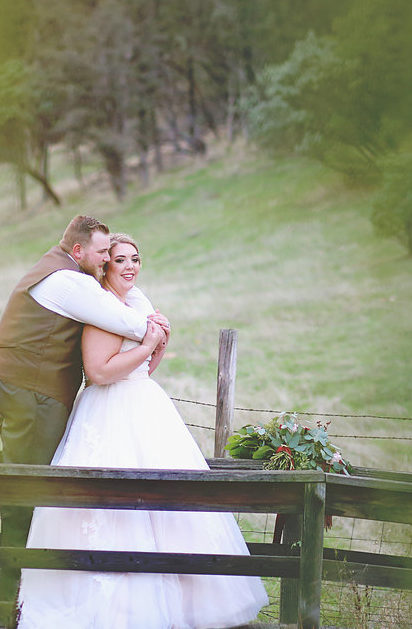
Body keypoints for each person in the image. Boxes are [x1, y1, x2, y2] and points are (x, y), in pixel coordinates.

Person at [16, 234, 268, 628]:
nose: (130, 266)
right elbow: (99, 373)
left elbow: (141, 368)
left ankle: (185, 602)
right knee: (115, 509)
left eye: (135, 259)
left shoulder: (137, 307)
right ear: (106, 266)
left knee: (170, 506)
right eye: (120, 260)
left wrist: (157, 343)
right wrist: (148, 340)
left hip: (146, 407)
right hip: (108, 412)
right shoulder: (103, 313)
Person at [0, 216, 170, 627]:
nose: (108, 260)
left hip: (29, 388)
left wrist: (149, 322)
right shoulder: (70, 282)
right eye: (104, 253)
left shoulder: (63, 270)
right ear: (78, 252)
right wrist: (154, 330)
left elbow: (128, 304)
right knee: (25, 490)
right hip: (31, 391)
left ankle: (19, 596)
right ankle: (11, 606)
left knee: (31, 486)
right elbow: (123, 321)